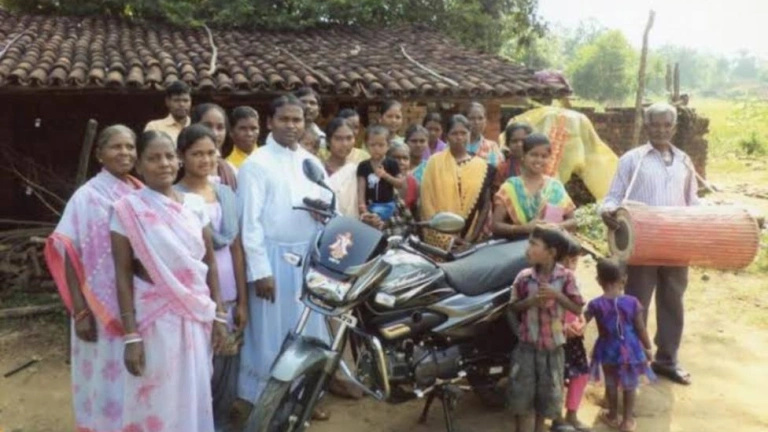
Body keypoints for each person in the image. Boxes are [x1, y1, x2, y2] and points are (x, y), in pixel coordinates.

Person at [110, 130, 228, 432]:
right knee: (155, 395)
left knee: (193, 391)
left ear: (178, 160)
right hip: (154, 317)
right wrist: (131, 335)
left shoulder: (195, 205)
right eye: (153, 158)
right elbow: (122, 274)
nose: (163, 163)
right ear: (139, 165)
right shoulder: (126, 210)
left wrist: (219, 314)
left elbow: (209, 264)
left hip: (195, 313)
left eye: (169, 156)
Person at [234, 95, 332, 425]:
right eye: (284, 119)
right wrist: (260, 270)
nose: (291, 125)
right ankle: (263, 402)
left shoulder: (310, 162)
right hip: (272, 261)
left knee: (308, 331)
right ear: (270, 122)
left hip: (308, 259)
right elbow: (249, 223)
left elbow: (329, 206)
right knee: (270, 335)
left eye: (297, 119)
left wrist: (324, 214)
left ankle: (305, 397)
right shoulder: (257, 164)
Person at [44, 125, 142, 432]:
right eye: (116, 146)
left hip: (137, 303)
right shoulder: (86, 197)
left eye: (130, 146)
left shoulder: (140, 191)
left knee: (135, 372)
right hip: (97, 307)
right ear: (100, 154)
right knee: (103, 373)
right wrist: (80, 310)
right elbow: (69, 252)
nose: (124, 152)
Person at [600, 102, 698, 386]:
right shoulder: (632, 159)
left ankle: (667, 361)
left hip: (676, 243)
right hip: (641, 244)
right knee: (637, 301)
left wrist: (711, 215)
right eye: (655, 125)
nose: (661, 130)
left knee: (673, 301)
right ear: (646, 126)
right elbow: (613, 197)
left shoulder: (685, 161)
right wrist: (607, 211)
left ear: (674, 128)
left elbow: (693, 201)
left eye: (667, 125)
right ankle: (631, 358)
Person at [173, 124, 248, 431]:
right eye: (197, 154)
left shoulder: (226, 194)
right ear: (181, 156)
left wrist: (243, 300)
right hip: (195, 292)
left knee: (229, 359)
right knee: (200, 362)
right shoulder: (174, 198)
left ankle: (221, 418)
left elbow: (236, 248)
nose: (205, 159)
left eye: (210, 152)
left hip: (229, 288)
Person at [507, 227, 584, 432]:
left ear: (551, 252)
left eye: (534, 244)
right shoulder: (524, 277)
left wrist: (556, 295)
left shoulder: (566, 277)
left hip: (553, 350)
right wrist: (532, 301)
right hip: (526, 349)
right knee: (521, 398)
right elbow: (513, 307)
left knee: (546, 400)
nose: (528, 248)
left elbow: (577, 307)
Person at [585, 258, 655, 432]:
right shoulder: (632, 302)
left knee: (611, 382)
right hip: (630, 349)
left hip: (607, 348)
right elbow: (640, 328)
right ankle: (627, 421)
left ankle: (612, 415)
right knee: (630, 384)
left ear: (598, 280)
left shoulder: (595, 304)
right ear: (624, 279)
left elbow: (581, 322)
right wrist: (647, 347)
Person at [420, 114, 495, 250]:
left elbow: (484, 206)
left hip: (470, 237)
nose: (459, 137)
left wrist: (470, 240)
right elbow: (427, 201)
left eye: (463, 133)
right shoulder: (434, 162)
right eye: (454, 133)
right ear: (447, 136)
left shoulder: (483, 167)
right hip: (438, 238)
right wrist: (445, 239)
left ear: (469, 134)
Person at [492, 133, 577, 239]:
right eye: (533, 155)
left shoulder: (555, 187)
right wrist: (523, 228)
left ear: (549, 158)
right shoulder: (510, 187)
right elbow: (495, 225)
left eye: (544, 156)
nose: (539, 160)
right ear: (523, 156)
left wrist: (555, 226)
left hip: (550, 245)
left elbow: (573, 222)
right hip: (518, 245)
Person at [550, 236, 591, 432]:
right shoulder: (548, 284)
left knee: (581, 374)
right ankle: (557, 418)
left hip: (574, 339)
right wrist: (563, 328)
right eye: (564, 261)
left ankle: (572, 414)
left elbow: (579, 307)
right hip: (554, 340)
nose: (569, 266)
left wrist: (581, 322)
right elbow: (544, 314)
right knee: (556, 379)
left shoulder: (575, 281)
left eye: (574, 261)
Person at [357, 124, 404, 222]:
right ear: (366, 146)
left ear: (388, 146)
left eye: (381, 145)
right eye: (372, 145)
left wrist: (385, 175)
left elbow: (400, 184)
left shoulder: (392, 163)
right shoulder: (363, 166)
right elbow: (361, 189)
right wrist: (363, 208)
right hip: (369, 206)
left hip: (388, 206)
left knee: (378, 217)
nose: (376, 149)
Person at [191, 103, 238, 190]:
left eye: (220, 127)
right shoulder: (181, 169)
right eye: (207, 126)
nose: (214, 133)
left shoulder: (231, 170)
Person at [494, 122, 532, 191]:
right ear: (508, 144)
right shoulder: (503, 168)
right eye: (514, 141)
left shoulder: (539, 165)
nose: (519, 144)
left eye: (523, 140)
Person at [466, 102, 504, 167]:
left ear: (485, 121)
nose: (476, 122)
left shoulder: (492, 147)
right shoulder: (455, 145)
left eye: (480, 118)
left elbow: (499, 169)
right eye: (472, 118)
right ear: (466, 120)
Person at [389, 140, 419, 213]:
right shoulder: (377, 181)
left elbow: (416, 212)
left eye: (405, 158)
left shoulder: (414, 183)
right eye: (396, 158)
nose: (401, 162)